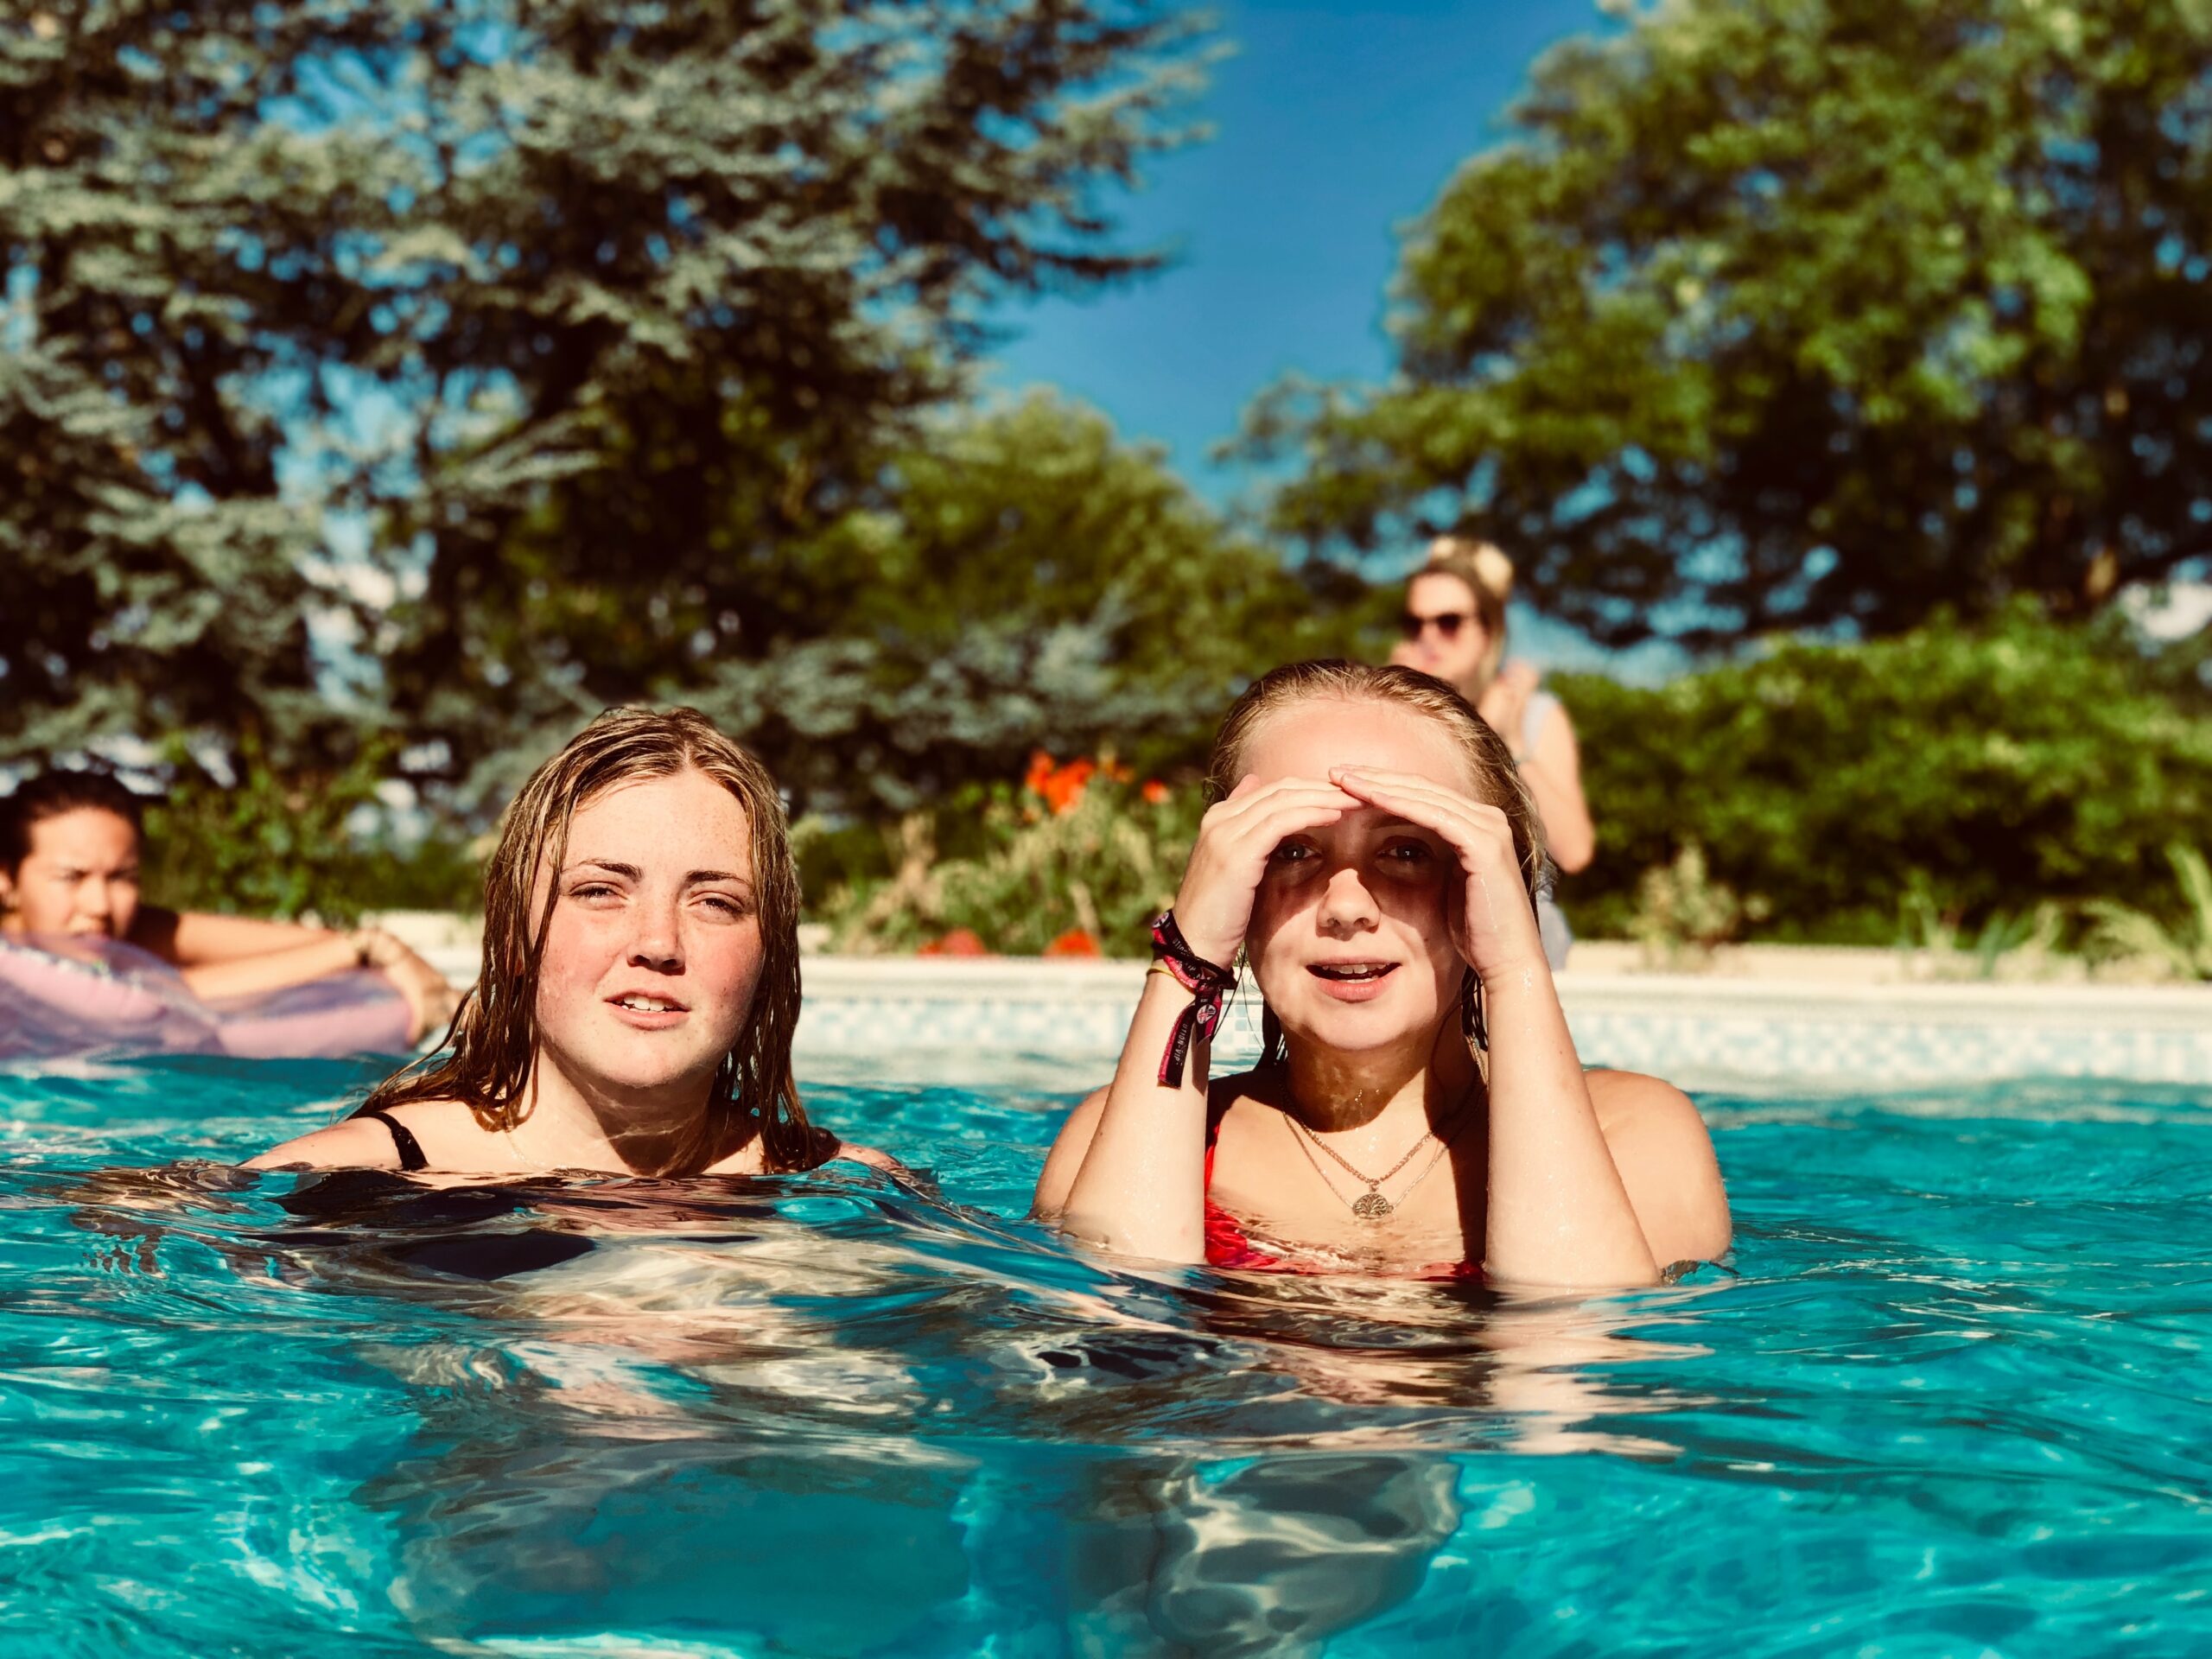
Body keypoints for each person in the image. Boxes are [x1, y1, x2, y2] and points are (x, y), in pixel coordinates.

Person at [1033, 661, 1727, 1286]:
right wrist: (1190, 958)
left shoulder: (1636, 1134)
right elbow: (1113, 1364)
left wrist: (1516, 966)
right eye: (1291, 849)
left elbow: (1572, 1370)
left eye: (1406, 850)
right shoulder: (1127, 1131)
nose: (1344, 906)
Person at [246, 706, 889, 1179]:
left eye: (716, 902)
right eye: (600, 891)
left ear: (768, 958)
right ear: (517, 939)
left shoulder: (847, 1191)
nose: (658, 942)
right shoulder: (346, 1178)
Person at [0, 768, 456, 1043]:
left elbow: (317, 945)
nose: (99, 904)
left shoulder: (131, 933)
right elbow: (156, 1000)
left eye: (123, 877)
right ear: (7, 880)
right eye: (70, 877)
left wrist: (373, 950)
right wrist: (370, 948)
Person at [1389, 536, 1592, 966]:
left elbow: (1574, 851)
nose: (1428, 637)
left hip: (1516, 948)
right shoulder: (1387, 713)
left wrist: (1508, 743)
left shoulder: (1534, 715)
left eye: (1448, 622)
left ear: (1490, 630)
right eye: (1414, 623)